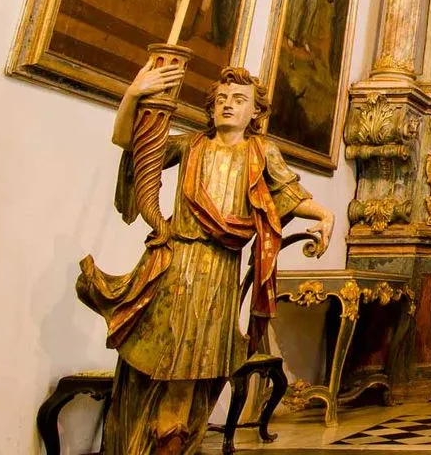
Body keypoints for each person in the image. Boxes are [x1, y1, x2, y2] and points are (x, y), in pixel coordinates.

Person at [79, 62, 333, 455]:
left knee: (197, 374)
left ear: (256, 113)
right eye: (221, 99)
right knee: (159, 365)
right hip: (175, 267)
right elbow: (129, 142)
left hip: (219, 273)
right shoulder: (190, 145)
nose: (228, 105)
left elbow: (290, 194)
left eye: (239, 100)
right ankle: (142, 441)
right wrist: (135, 92)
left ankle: (179, 440)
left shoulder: (261, 151)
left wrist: (325, 215)